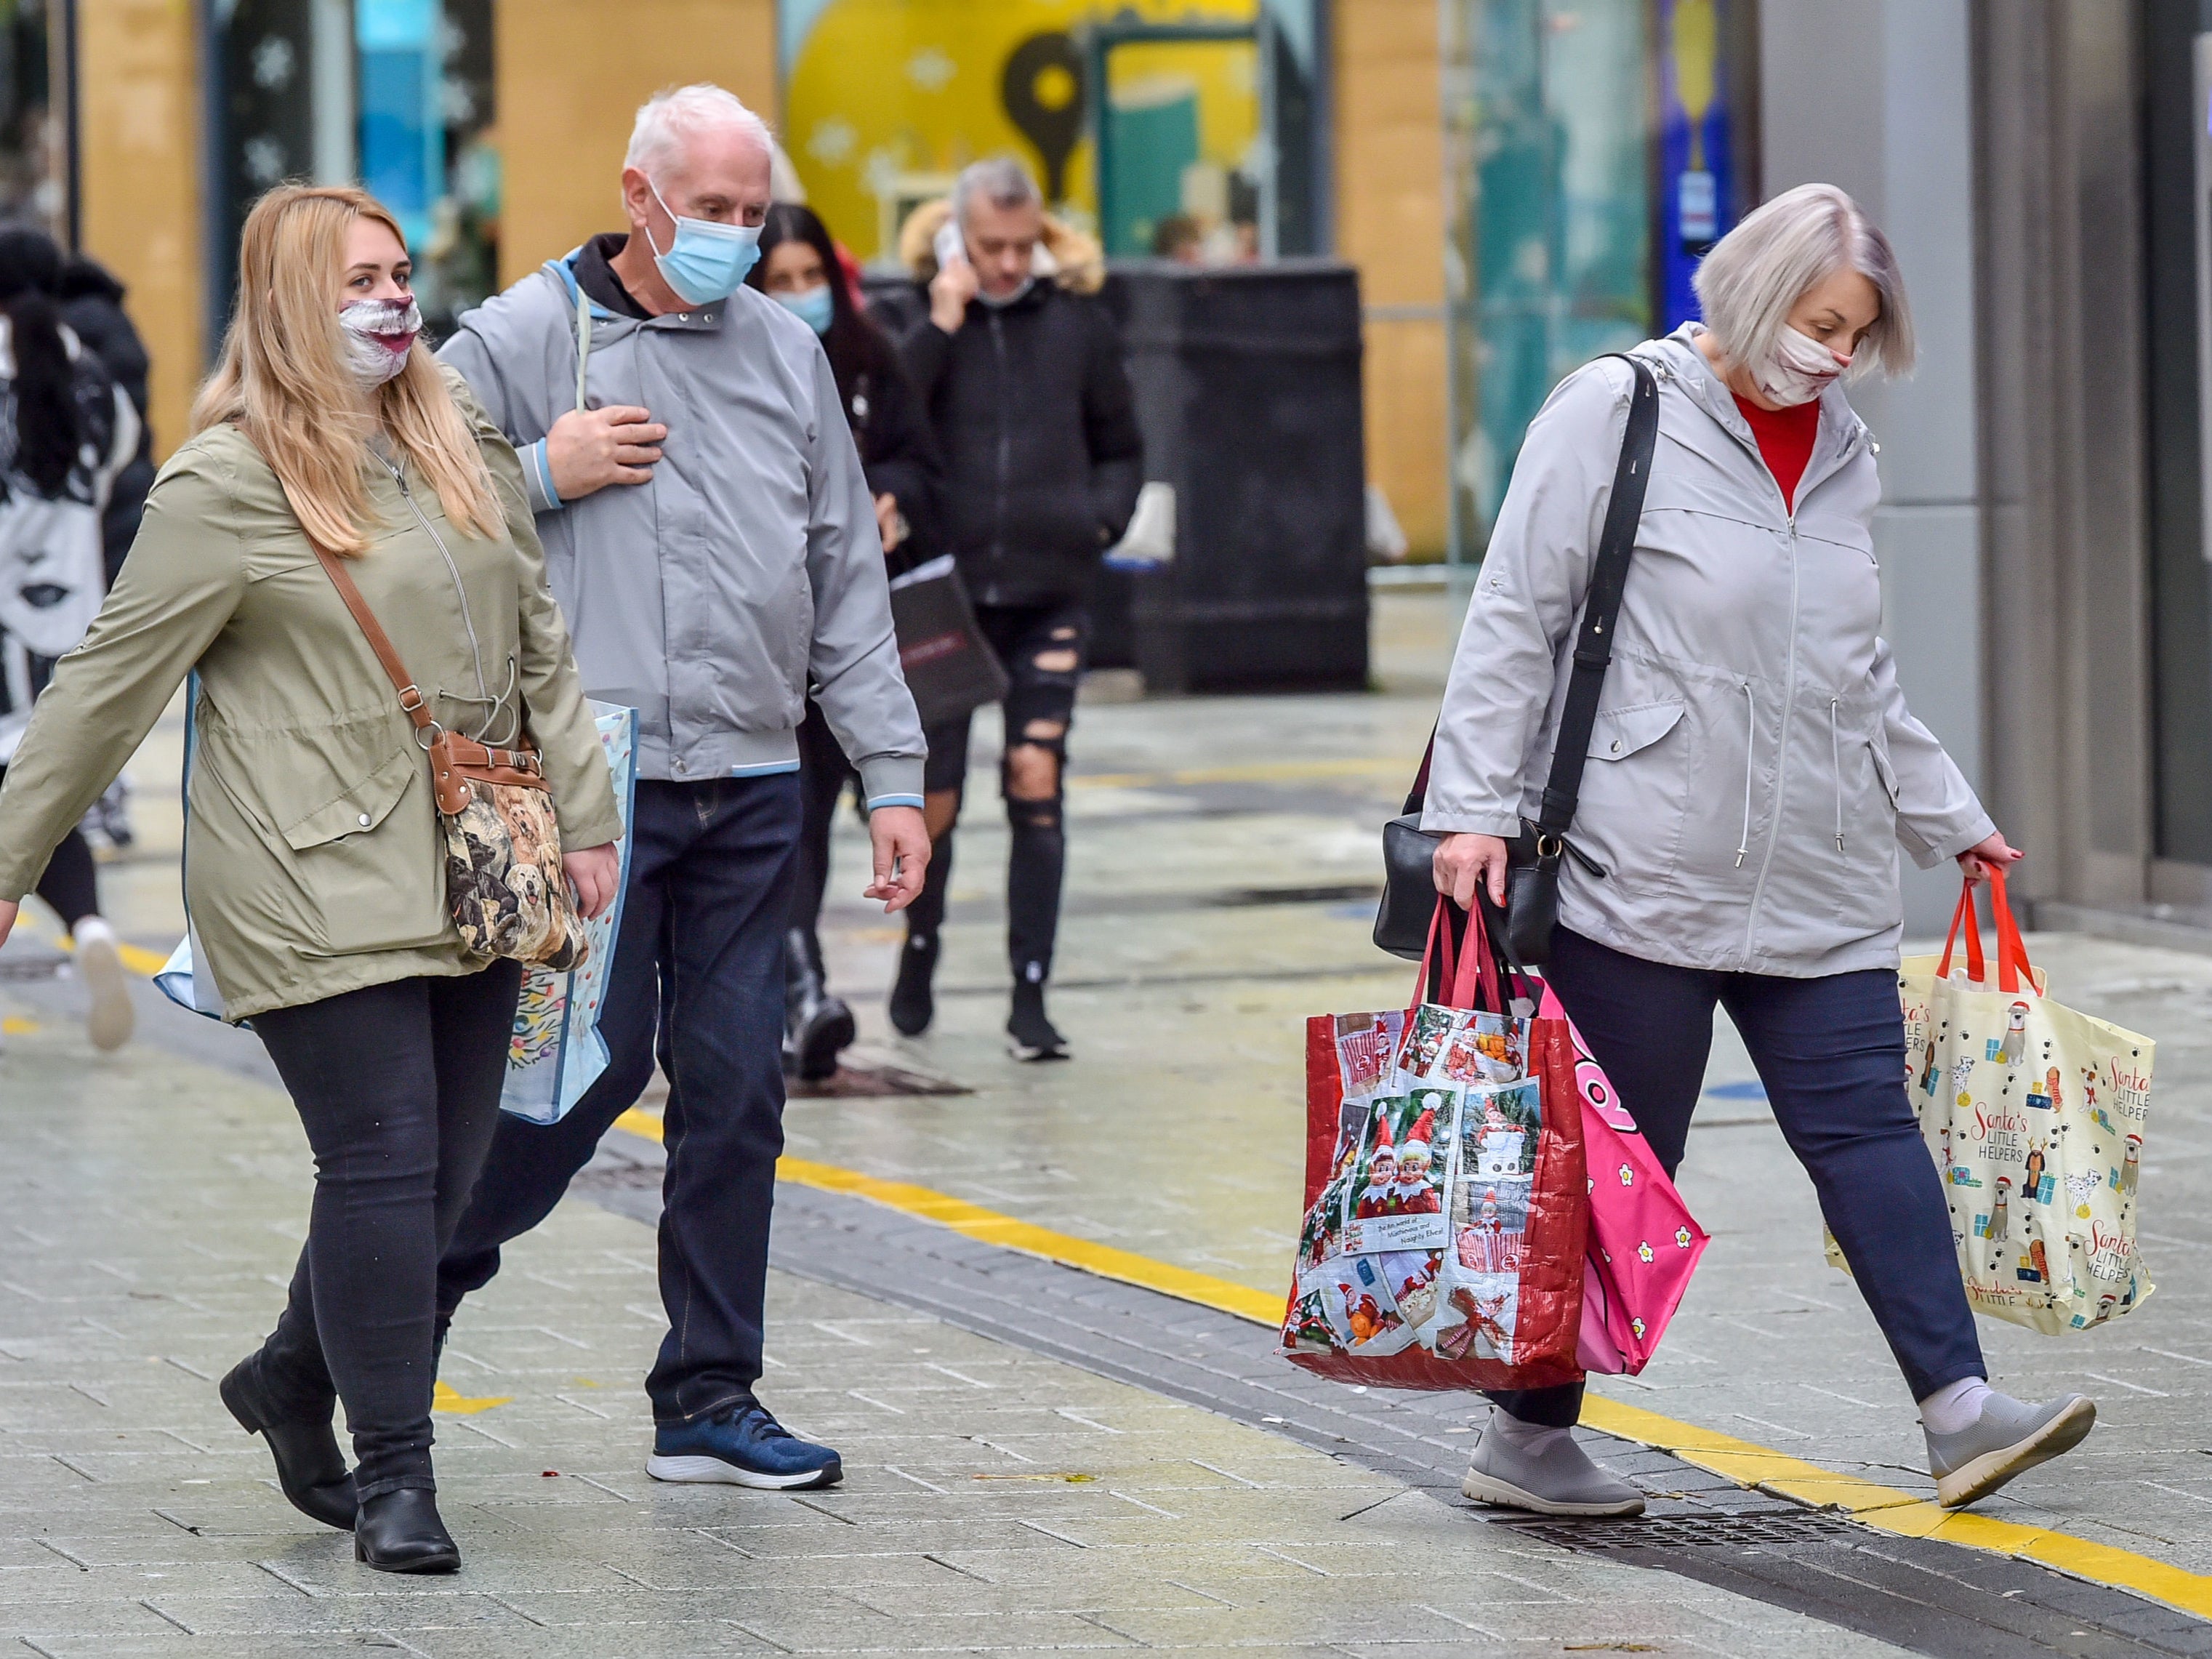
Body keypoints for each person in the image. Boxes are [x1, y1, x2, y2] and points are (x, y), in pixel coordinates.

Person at [1425, 182, 2096, 1518]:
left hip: (1817, 870)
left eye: (1854, 334)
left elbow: (1854, 675)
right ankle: (1524, 1434)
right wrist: (1472, 805)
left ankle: (1957, 1409)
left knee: (1866, 1129)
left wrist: (1947, 814)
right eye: (1817, 322)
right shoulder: (1616, 409)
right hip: (1639, 863)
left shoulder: (1844, 452)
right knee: (1621, 1166)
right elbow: (1514, 612)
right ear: (1748, 290)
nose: (1833, 356)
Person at [0, 185, 622, 1570]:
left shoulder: (457, 438)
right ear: (287, 300)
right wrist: (11, 856)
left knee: (449, 1175)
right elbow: (103, 687)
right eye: (360, 281)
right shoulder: (221, 482)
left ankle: (290, 1374)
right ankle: (398, 1474)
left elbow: (538, 643)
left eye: (402, 276)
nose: (395, 300)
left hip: (471, 867)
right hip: (299, 869)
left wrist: (585, 814)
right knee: (386, 1157)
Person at [434, 84, 928, 1492]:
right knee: (564, 1085)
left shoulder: (783, 351)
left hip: (757, 782)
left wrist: (891, 774)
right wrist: (542, 468)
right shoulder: (529, 335)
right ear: (640, 196)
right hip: (598, 791)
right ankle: (404, 1298)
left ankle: (709, 1393)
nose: (733, 235)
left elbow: (844, 572)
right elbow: (401, 512)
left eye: (750, 211)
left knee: (735, 1087)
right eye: (709, 209)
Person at [889, 158, 1143, 1060]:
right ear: (956, 234)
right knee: (939, 800)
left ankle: (1029, 994)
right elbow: (885, 422)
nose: (1006, 263)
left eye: (1021, 244)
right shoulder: (918, 315)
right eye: (988, 245)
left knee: (1036, 781)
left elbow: (1122, 441)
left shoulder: (1079, 320)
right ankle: (919, 953)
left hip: (1049, 589)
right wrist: (943, 319)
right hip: (946, 595)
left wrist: (1099, 518)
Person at [747, 201, 943, 1080]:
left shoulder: (867, 359)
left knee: (826, 815)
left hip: (852, 637)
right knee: (785, 825)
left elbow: (920, 461)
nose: (799, 296)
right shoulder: (735, 365)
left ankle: (800, 985)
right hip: (762, 637)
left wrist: (891, 501)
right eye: (779, 280)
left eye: (809, 277)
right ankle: (799, 986)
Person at [0, 226, 141, 1053]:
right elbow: (120, 457)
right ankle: (88, 926)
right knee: (49, 803)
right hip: (70, 619)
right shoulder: (88, 373)